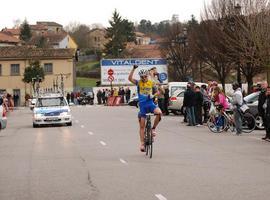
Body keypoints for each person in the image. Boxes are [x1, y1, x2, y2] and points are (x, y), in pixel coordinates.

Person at [128, 65, 162, 152]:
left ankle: (153, 128)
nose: (143, 78)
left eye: (145, 76)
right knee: (142, 126)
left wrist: (153, 95)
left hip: (151, 104)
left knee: (159, 113)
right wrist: (133, 69)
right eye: (142, 77)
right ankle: (142, 144)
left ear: (147, 75)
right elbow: (130, 78)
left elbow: (160, 91)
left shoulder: (151, 83)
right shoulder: (138, 83)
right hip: (142, 106)